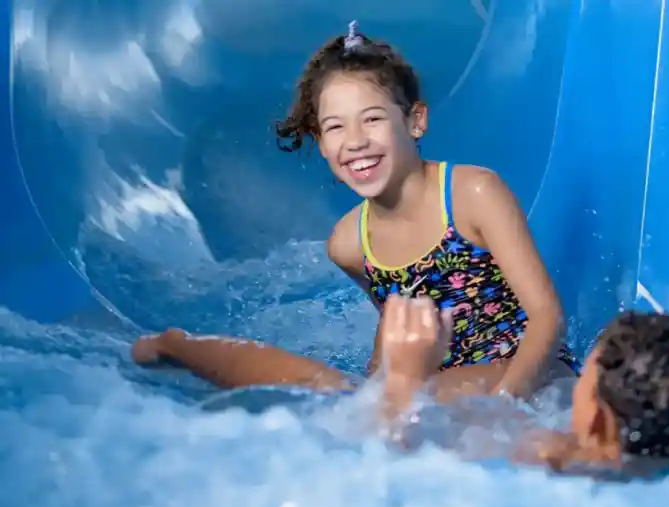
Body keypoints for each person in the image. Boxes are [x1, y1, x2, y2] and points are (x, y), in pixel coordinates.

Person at [131, 21, 565, 401]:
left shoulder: (472, 193)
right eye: (335, 127)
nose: (354, 140)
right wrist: (374, 389)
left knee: (387, 403)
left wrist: (508, 401)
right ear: (321, 144)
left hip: (527, 371)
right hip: (435, 387)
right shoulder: (349, 242)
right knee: (341, 397)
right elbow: (393, 324)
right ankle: (184, 346)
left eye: (372, 119)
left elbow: (548, 318)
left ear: (415, 121)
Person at [376, 294, 669, 475]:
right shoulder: (597, 461)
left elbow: (392, 467)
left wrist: (404, 381)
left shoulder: (541, 472)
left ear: (596, 419)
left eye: (585, 381)